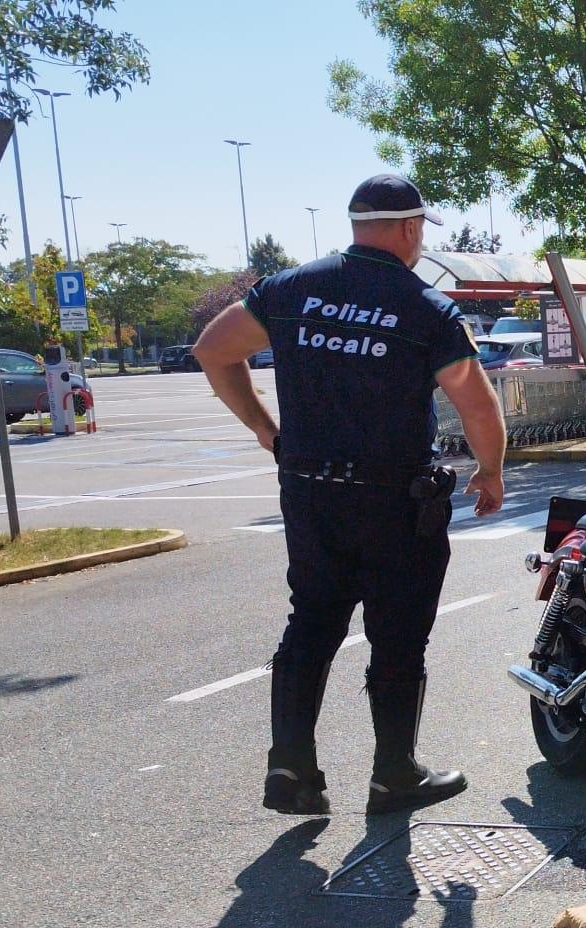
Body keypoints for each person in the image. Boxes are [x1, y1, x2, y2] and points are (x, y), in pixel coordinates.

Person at [193, 173, 508, 817]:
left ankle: (291, 771)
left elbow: (212, 350)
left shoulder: (289, 291)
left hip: (309, 492)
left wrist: (264, 428)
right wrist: (491, 470)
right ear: (410, 227)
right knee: (397, 636)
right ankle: (394, 775)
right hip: (396, 502)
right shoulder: (425, 307)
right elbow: (475, 403)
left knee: (311, 620)